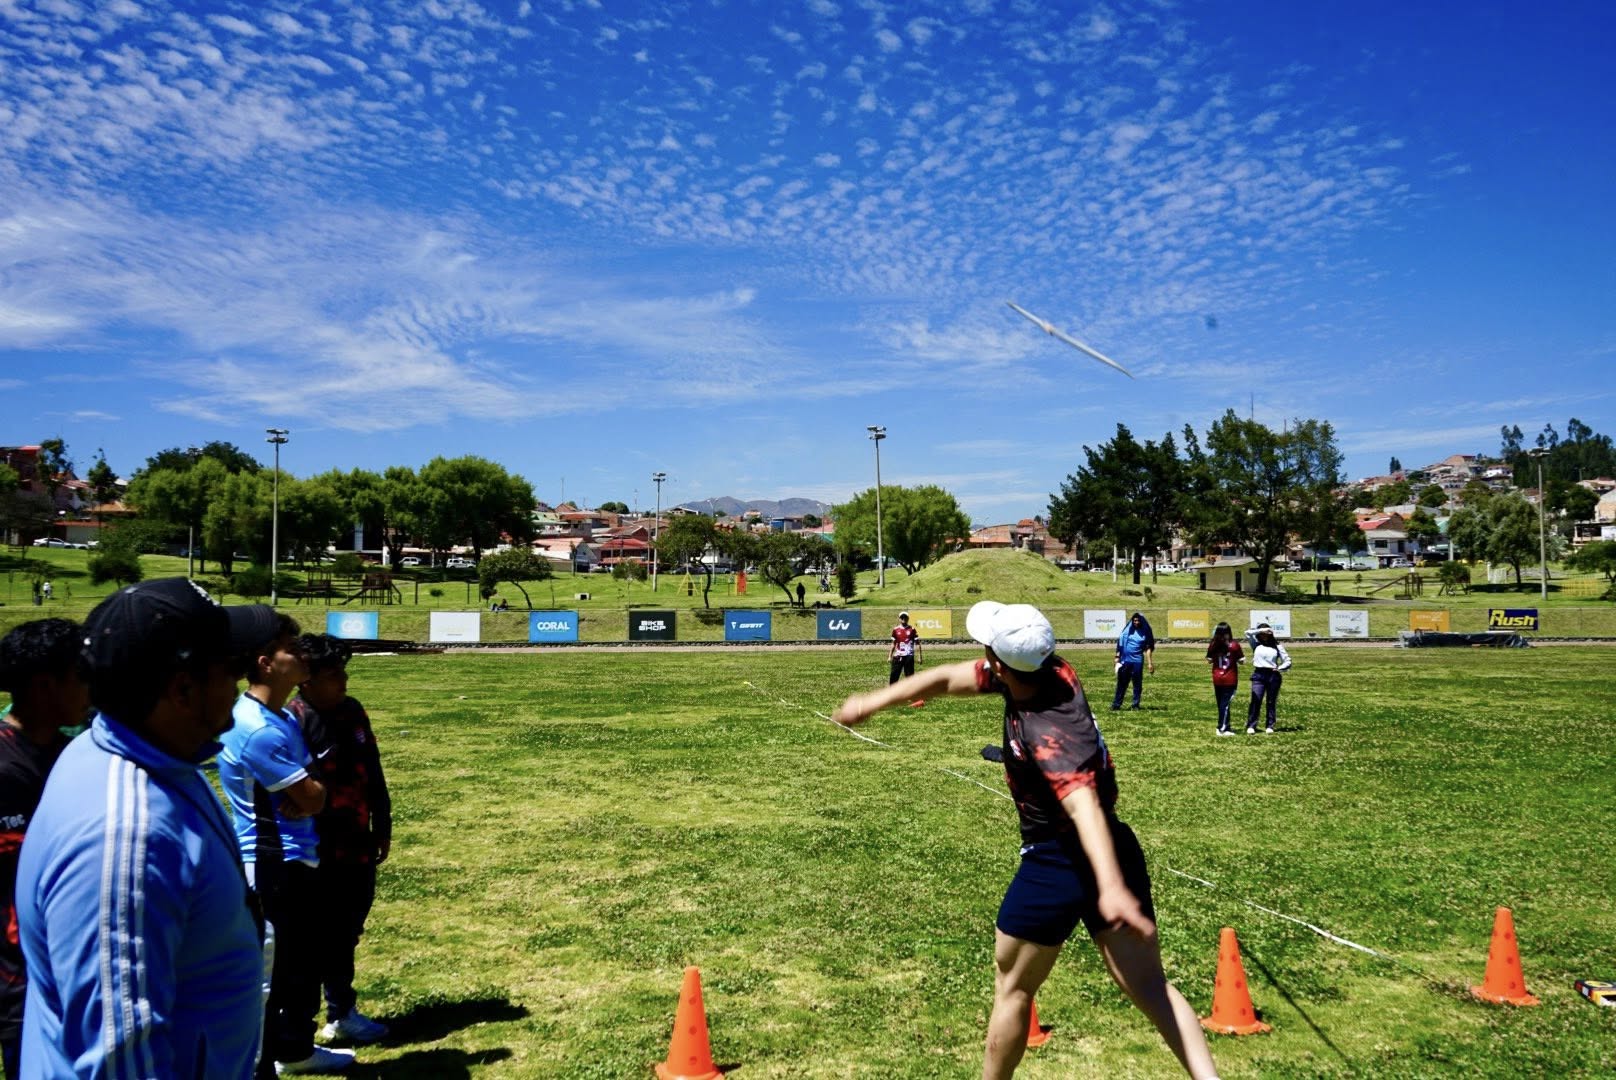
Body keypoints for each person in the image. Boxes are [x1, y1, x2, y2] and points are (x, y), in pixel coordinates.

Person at [832, 602, 1217, 1080]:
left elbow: (1082, 803)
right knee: (1150, 986)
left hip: (1058, 860)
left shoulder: (1046, 727)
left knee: (1013, 990)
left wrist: (1111, 885)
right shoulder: (1047, 671)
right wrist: (872, 702)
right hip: (1113, 844)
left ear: (999, 662)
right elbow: (950, 678)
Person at [16, 578, 275, 1078]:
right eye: (233, 670)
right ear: (182, 689)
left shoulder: (147, 757)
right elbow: (120, 1060)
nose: (240, 688)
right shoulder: (127, 838)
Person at [218, 616, 356, 1075]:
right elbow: (314, 794)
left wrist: (310, 792)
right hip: (273, 864)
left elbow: (314, 790)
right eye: (288, 647)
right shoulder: (256, 728)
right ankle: (257, 1063)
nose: (300, 654)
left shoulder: (278, 718)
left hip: (298, 856)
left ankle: (294, 1051)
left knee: (300, 965)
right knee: (270, 974)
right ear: (265, 663)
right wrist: (310, 793)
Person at [288, 635, 392, 1047]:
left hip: (356, 839)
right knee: (312, 937)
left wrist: (382, 822)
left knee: (348, 927)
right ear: (305, 681)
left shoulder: (352, 711)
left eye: (344, 672)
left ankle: (342, 1011)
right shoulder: (292, 721)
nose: (343, 681)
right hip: (314, 848)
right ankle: (298, 1025)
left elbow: (373, 768)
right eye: (334, 676)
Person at [0, 620, 85, 1078]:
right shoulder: (4, 765)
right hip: (17, 981)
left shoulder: (74, 755)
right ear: (44, 685)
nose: (91, 687)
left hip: (67, 972)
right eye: (81, 675)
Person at [1246, 623, 1292, 735]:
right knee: (1256, 699)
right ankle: (1252, 725)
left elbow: (1288, 661)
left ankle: (1270, 725)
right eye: (1262, 633)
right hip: (1258, 674)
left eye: (1266, 633)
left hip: (1272, 675)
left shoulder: (1277, 646)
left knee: (1271, 701)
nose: (1264, 635)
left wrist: (1280, 668)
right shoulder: (1255, 644)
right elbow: (1247, 633)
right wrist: (1262, 630)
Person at [1203, 622, 1243, 737]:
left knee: (1221, 704)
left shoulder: (1213, 645)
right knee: (1225, 705)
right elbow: (1241, 660)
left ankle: (1225, 725)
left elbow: (1209, 660)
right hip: (1230, 678)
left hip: (1217, 677)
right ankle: (1222, 728)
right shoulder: (1234, 645)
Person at [1112, 612, 1155, 710]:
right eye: (1134, 620)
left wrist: (1149, 663)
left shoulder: (1145, 632)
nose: (1136, 622)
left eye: (1138, 620)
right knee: (1121, 683)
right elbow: (1120, 644)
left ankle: (1135, 704)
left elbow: (1148, 648)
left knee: (1137, 684)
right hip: (1125, 660)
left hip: (1137, 661)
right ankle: (1116, 704)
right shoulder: (1127, 630)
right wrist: (1117, 656)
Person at [889, 611, 922, 684]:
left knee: (910, 677)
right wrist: (890, 656)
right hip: (898, 656)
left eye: (905, 617)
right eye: (902, 617)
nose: (903, 619)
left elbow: (918, 644)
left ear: (908, 618)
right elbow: (893, 644)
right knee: (894, 675)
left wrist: (919, 657)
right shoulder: (895, 630)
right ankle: (893, 692)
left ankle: (911, 693)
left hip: (909, 656)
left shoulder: (912, 629)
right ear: (899, 619)